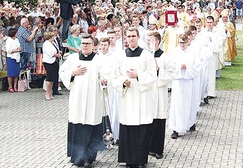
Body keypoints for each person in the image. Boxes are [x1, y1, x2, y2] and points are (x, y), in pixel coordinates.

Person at [59, 34, 108, 168]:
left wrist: (104, 80)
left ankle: (88, 157)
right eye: (83, 43)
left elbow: (105, 74)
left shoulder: (99, 60)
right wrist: (73, 72)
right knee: (77, 125)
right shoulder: (73, 59)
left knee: (91, 125)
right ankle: (76, 157)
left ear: (93, 45)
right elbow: (63, 72)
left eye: (88, 43)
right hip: (77, 99)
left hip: (93, 99)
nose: (85, 46)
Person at [111, 27, 156, 168]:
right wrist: (122, 82)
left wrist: (138, 75)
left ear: (138, 37)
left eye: (133, 36)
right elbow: (114, 75)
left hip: (141, 96)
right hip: (127, 96)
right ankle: (128, 158)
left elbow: (152, 75)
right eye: (128, 36)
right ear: (126, 38)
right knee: (127, 127)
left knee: (141, 128)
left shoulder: (147, 55)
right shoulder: (120, 56)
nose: (131, 39)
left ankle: (141, 160)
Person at [147, 31, 177, 159]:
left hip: (159, 91)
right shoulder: (144, 56)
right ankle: (147, 147)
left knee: (158, 120)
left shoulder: (165, 57)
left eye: (150, 40)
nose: (148, 42)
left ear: (157, 42)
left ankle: (157, 149)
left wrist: (159, 70)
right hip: (147, 91)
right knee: (147, 120)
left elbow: (172, 73)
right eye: (147, 40)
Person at [169, 34, 199, 139]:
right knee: (177, 105)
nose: (182, 45)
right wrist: (178, 67)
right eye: (180, 42)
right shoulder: (174, 52)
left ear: (187, 42)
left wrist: (187, 67)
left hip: (187, 81)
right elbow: (170, 67)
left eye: (184, 42)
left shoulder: (192, 53)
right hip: (177, 82)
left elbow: (196, 67)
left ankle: (189, 123)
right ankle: (176, 128)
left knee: (188, 104)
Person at [42, 31, 61, 100]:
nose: (54, 38)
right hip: (48, 62)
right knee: (49, 78)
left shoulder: (53, 43)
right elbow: (50, 53)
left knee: (53, 78)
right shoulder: (46, 44)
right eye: (53, 37)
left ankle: (50, 92)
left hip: (54, 62)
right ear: (50, 37)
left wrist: (59, 53)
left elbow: (56, 50)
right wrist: (57, 55)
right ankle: (47, 93)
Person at [5, 28, 21, 93]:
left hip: (17, 57)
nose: (17, 34)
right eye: (16, 33)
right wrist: (16, 50)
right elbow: (8, 50)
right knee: (10, 73)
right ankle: (10, 86)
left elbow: (19, 46)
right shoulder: (8, 40)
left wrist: (19, 49)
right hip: (11, 58)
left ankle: (15, 86)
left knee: (16, 73)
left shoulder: (17, 40)